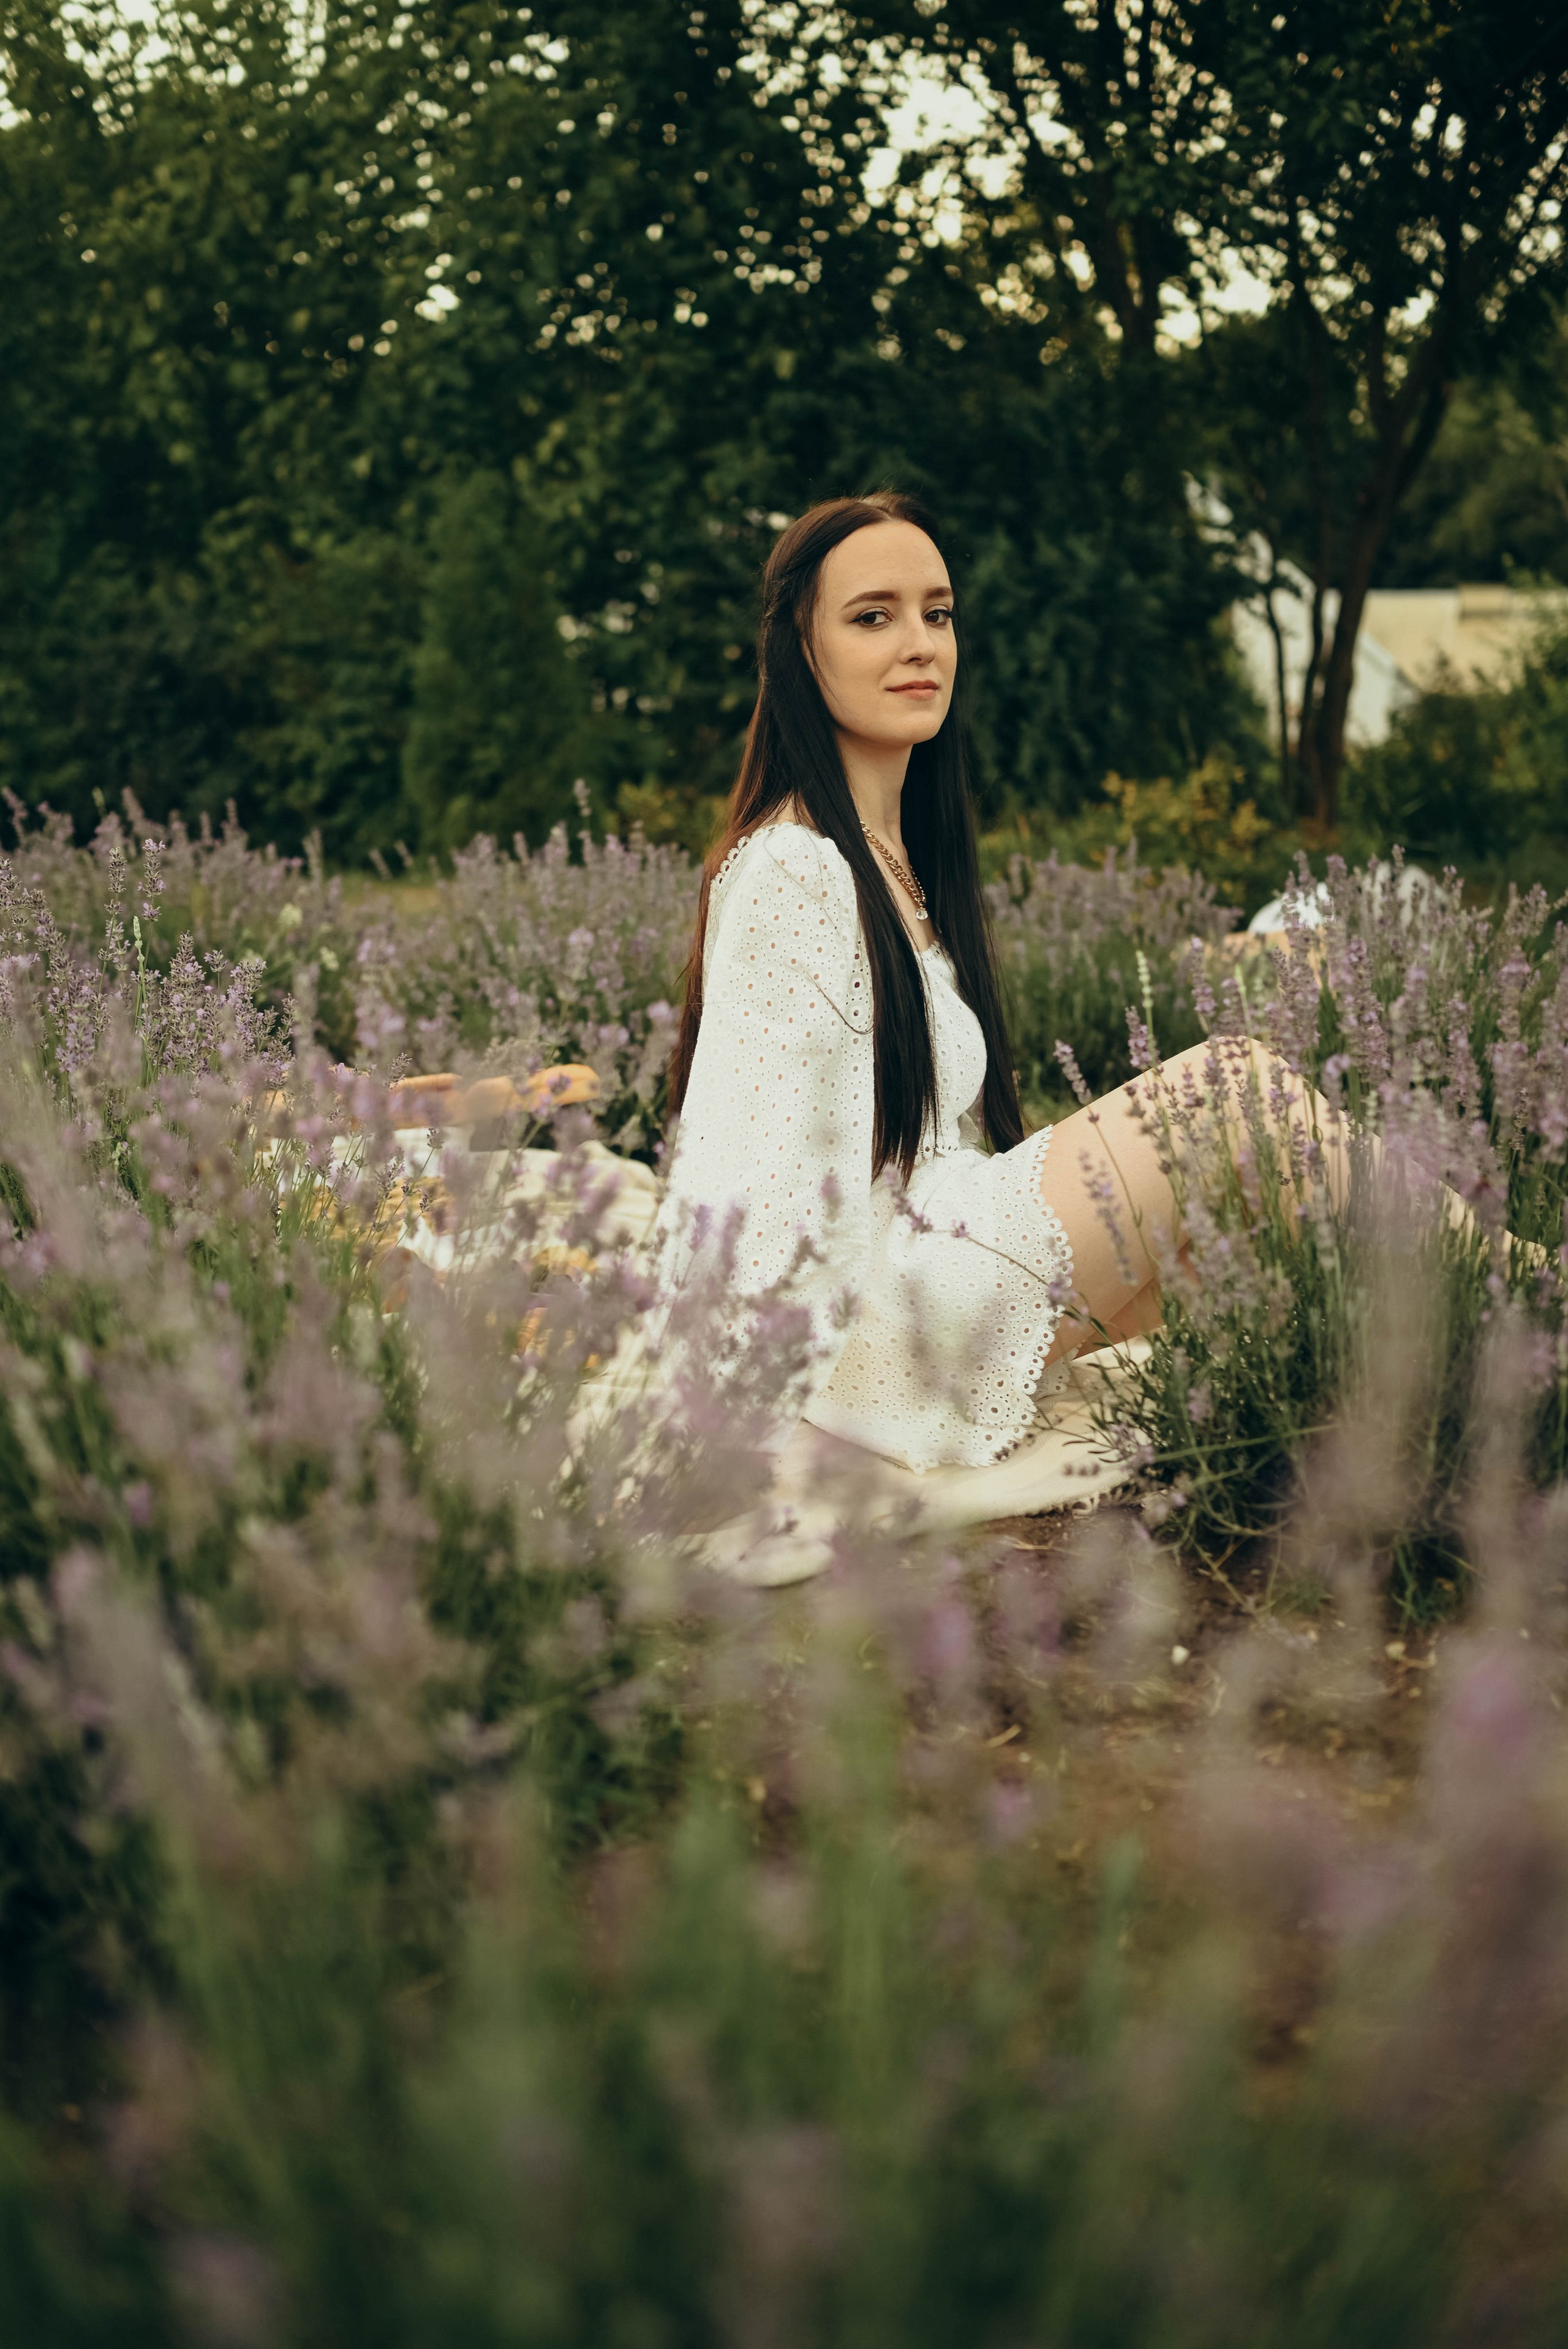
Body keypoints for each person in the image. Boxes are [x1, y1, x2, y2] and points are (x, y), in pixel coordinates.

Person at [650, 492, 1382, 1475]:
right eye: (874, 617)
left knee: (1262, 1209)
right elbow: (755, 1178)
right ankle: (1525, 1305)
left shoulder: (896, 863)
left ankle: (1471, 1379)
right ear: (800, 652)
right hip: (874, 1329)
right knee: (1236, 1089)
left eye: (938, 613)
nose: (919, 643)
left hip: (938, 1269)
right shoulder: (795, 870)